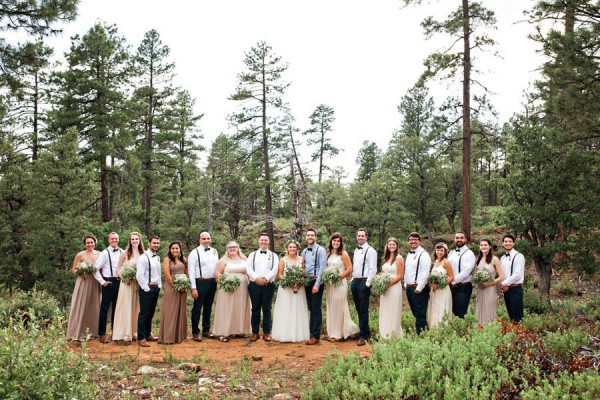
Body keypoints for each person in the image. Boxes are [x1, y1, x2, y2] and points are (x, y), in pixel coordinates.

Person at [212, 241, 252, 342]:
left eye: (234, 247)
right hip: (227, 289)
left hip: (242, 289)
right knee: (227, 308)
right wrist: (225, 282)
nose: (232, 248)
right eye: (230, 247)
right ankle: (223, 332)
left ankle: (239, 331)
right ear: (227, 249)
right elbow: (217, 273)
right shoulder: (224, 260)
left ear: (238, 248)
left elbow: (249, 272)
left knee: (239, 308)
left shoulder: (244, 259)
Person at [272, 241, 310, 343]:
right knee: (286, 309)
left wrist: (298, 284)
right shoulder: (283, 260)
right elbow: (280, 275)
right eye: (290, 247)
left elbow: (303, 274)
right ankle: (284, 334)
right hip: (285, 289)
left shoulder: (301, 259)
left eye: (294, 247)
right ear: (287, 248)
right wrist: (288, 284)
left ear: (297, 248)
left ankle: (297, 334)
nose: (292, 249)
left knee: (297, 310)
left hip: (298, 288)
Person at [324, 232, 359, 342]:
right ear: (331, 242)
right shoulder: (328, 254)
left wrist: (339, 277)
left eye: (338, 241)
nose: (336, 242)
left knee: (339, 307)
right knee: (332, 307)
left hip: (340, 284)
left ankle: (339, 334)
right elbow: (325, 267)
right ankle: (332, 332)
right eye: (334, 240)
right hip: (330, 285)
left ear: (341, 243)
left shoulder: (343, 254)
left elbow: (349, 269)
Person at [66, 235, 101, 341]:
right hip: (84, 282)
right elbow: (74, 269)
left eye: (92, 242)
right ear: (85, 244)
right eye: (88, 243)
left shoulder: (100, 254)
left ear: (95, 243)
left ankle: (94, 332)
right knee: (81, 305)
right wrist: (82, 273)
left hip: (95, 282)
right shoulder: (80, 255)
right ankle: (77, 333)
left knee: (95, 305)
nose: (90, 244)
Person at [111, 232, 144, 343]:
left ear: (140, 241)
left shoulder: (143, 254)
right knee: (126, 306)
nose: (135, 241)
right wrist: (124, 278)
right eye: (132, 239)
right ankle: (125, 333)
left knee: (136, 308)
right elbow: (118, 269)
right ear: (130, 241)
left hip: (138, 284)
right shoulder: (124, 253)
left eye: (136, 239)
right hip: (126, 284)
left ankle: (135, 332)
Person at [246, 233, 278, 342]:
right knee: (255, 309)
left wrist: (266, 279)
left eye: (265, 240)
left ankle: (266, 332)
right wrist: (256, 279)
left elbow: (275, 269)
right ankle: (255, 333)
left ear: (269, 242)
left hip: (268, 285)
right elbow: (248, 268)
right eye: (262, 240)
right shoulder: (252, 255)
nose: (263, 242)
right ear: (258, 241)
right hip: (254, 285)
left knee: (267, 309)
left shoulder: (274, 256)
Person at [187, 232, 219, 342]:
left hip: (212, 282)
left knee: (208, 307)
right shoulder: (194, 253)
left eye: (208, 238)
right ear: (200, 240)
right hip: (200, 282)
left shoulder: (214, 251)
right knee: (197, 307)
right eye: (204, 239)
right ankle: (195, 332)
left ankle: (206, 329)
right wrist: (193, 287)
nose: (206, 240)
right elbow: (191, 271)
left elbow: (217, 267)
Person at [93, 231, 123, 343]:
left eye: (116, 238)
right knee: (105, 308)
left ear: (118, 239)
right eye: (112, 239)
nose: (114, 240)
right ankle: (102, 334)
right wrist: (102, 281)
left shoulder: (122, 251)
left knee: (117, 307)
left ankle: (115, 332)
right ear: (108, 240)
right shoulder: (104, 253)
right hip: (109, 282)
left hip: (120, 282)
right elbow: (95, 269)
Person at [351, 228, 377, 346]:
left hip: (364, 281)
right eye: (359, 236)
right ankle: (364, 331)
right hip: (355, 281)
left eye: (362, 236)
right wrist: (352, 280)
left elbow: (373, 268)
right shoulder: (356, 250)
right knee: (358, 309)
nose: (360, 237)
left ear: (366, 237)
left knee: (363, 309)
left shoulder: (371, 251)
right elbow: (355, 266)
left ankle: (364, 336)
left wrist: (367, 283)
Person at [301, 228, 327, 345]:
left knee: (316, 309)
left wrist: (317, 284)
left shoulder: (321, 250)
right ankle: (311, 333)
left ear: (315, 237)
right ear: (306, 237)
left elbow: (322, 268)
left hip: (316, 281)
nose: (310, 237)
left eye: (312, 235)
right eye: (308, 235)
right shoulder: (304, 251)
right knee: (311, 308)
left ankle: (316, 336)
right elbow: (302, 267)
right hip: (307, 282)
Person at [159, 242, 188, 344]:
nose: (175, 250)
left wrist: (185, 285)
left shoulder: (183, 259)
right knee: (171, 310)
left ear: (180, 249)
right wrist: (176, 287)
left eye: (177, 248)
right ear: (170, 249)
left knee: (181, 310)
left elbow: (187, 272)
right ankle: (168, 337)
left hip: (183, 288)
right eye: (173, 248)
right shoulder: (167, 260)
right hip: (171, 287)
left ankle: (179, 336)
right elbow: (167, 275)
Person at [136, 235, 162, 347]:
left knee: (151, 313)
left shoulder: (157, 257)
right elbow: (139, 275)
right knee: (144, 313)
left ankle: (148, 334)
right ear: (149, 243)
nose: (156, 245)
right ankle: (141, 337)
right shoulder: (143, 257)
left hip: (155, 288)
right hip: (147, 289)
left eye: (157, 243)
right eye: (154, 243)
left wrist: (159, 285)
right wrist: (146, 288)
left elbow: (158, 273)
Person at [404, 232, 431, 334]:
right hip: (409, 287)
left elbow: (425, 272)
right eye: (411, 239)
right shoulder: (409, 254)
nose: (413, 241)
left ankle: (421, 335)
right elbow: (407, 270)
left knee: (420, 313)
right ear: (408, 242)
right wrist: (405, 284)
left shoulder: (424, 254)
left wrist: (419, 288)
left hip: (419, 288)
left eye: (415, 239)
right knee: (415, 312)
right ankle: (422, 331)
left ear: (419, 241)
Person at [378, 237, 405, 339]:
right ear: (387, 246)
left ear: (397, 246)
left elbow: (400, 276)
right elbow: (383, 272)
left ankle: (393, 335)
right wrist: (380, 281)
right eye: (390, 244)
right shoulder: (386, 258)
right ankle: (385, 334)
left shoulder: (399, 258)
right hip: (385, 288)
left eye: (394, 244)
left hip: (394, 288)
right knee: (385, 310)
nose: (392, 246)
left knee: (393, 311)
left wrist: (388, 284)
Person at [474, 239, 505, 325]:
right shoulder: (478, 259)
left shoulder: (494, 259)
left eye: (485, 245)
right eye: (481, 245)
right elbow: (476, 274)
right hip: (480, 289)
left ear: (490, 247)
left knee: (489, 309)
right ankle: (479, 329)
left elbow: (502, 276)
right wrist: (477, 281)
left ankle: (490, 329)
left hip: (490, 289)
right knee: (480, 308)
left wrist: (488, 284)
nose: (483, 247)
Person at [448, 231, 475, 318]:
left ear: (465, 240)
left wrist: (452, 281)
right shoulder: (451, 253)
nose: (459, 239)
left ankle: (464, 331)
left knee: (461, 313)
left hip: (463, 287)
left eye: (461, 238)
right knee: (452, 312)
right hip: (451, 287)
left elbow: (466, 272)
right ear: (454, 240)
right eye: (457, 238)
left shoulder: (469, 253)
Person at [499, 234, 525, 323]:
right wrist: (502, 285)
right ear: (502, 244)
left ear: (513, 244)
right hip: (506, 290)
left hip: (515, 289)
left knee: (518, 316)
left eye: (510, 241)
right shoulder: (502, 258)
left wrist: (504, 283)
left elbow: (517, 274)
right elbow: (502, 274)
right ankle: (514, 335)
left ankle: (522, 335)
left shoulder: (519, 256)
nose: (508, 243)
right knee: (511, 316)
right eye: (506, 241)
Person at [427, 243, 454, 329]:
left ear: (445, 251)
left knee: (442, 310)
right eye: (438, 250)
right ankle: (434, 329)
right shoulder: (436, 262)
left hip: (443, 290)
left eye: (441, 250)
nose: (439, 252)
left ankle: (442, 330)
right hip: (434, 290)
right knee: (435, 309)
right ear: (435, 251)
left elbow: (452, 277)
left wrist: (439, 285)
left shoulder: (446, 262)